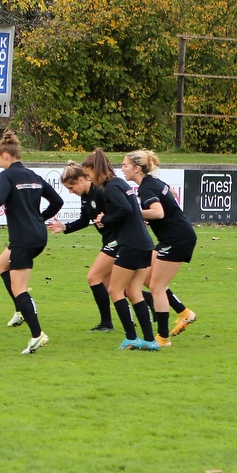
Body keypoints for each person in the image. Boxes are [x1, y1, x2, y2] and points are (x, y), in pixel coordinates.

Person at [0, 131, 63, 355]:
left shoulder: (6, 176)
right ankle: (19, 310)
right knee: (1, 264)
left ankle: (37, 334)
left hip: (23, 239)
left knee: (20, 288)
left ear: (5, 155)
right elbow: (58, 200)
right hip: (38, 236)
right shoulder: (33, 175)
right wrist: (40, 218)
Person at [82, 148, 157, 351]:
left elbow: (125, 209)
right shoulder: (120, 184)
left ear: (96, 170)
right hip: (144, 244)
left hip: (130, 244)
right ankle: (150, 340)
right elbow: (128, 210)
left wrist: (105, 219)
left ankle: (131, 338)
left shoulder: (112, 187)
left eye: (89, 175)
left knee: (115, 290)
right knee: (134, 291)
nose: (89, 179)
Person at [122, 150, 198, 347]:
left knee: (156, 286)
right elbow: (171, 192)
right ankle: (184, 313)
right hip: (171, 237)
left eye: (125, 165)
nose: (122, 169)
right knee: (147, 278)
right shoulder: (152, 182)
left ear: (136, 168)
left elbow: (158, 213)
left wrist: (135, 213)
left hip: (177, 239)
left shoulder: (146, 189)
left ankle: (163, 338)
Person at [50, 161, 117, 332]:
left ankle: (106, 324)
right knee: (114, 287)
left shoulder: (101, 191)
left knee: (93, 277)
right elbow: (83, 221)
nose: (71, 192)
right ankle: (149, 302)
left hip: (117, 240)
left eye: (71, 188)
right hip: (109, 240)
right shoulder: (85, 196)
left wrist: (107, 219)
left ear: (81, 180)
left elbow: (120, 212)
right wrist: (64, 227)